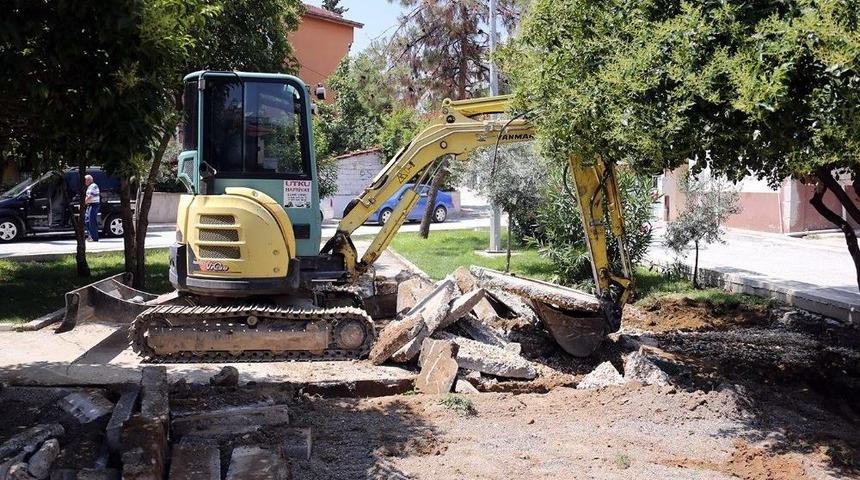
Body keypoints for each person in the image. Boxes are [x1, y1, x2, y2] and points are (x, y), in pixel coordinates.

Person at [84, 174, 100, 242]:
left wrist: (83, 203)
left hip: (94, 205)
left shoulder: (93, 186)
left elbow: (90, 197)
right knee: (87, 220)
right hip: (90, 205)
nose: (84, 182)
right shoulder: (89, 187)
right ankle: (90, 236)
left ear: (89, 180)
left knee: (92, 221)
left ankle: (94, 237)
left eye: (85, 180)